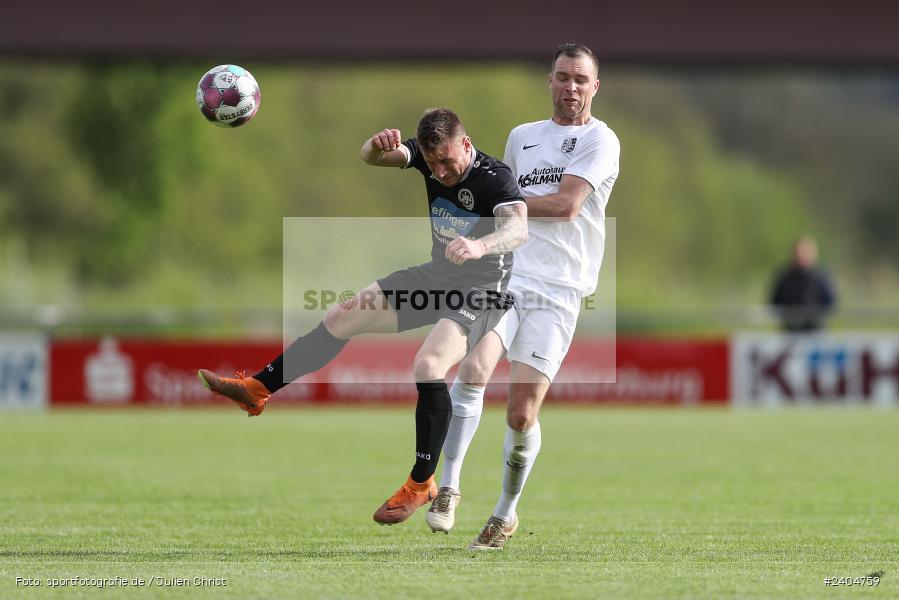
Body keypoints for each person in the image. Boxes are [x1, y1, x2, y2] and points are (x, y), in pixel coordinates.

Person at [198, 108, 527, 525]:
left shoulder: (494, 177)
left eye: (447, 161)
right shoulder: (428, 159)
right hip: (437, 275)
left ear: (465, 143)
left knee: (428, 364)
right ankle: (257, 389)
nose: (441, 172)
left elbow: (519, 230)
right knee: (341, 317)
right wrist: (375, 147)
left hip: (484, 290)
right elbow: (371, 159)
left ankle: (422, 482)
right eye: (432, 164)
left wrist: (481, 246)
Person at [421, 43, 620, 550]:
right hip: (508, 276)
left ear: (595, 86)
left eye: (580, 79)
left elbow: (569, 204)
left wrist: (504, 208)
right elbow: (498, 194)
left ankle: (505, 513)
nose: (570, 87)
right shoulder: (523, 137)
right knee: (471, 370)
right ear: (549, 80)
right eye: (562, 77)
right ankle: (448, 487)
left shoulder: (602, 140)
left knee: (520, 414)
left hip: (560, 289)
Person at [770, 236, 836, 332]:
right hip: (790, 332)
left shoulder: (821, 277)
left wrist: (816, 315)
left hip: (816, 331)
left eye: (805, 252)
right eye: (798, 252)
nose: (801, 255)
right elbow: (775, 303)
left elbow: (831, 302)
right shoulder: (784, 277)